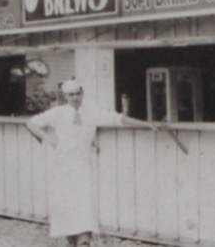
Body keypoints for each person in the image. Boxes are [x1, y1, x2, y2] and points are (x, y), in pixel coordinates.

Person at [26, 79, 157, 247]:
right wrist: (50, 139)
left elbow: (118, 119)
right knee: (66, 204)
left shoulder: (91, 112)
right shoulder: (57, 112)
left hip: (82, 164)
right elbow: (31, 123)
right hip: (62, 165)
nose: (75, 97)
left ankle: (84, 241)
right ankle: (73, 241)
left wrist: (147, 124)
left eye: (78, 93)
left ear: (83, 94)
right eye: (71, 94)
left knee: (84, 202)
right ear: (65, 96)